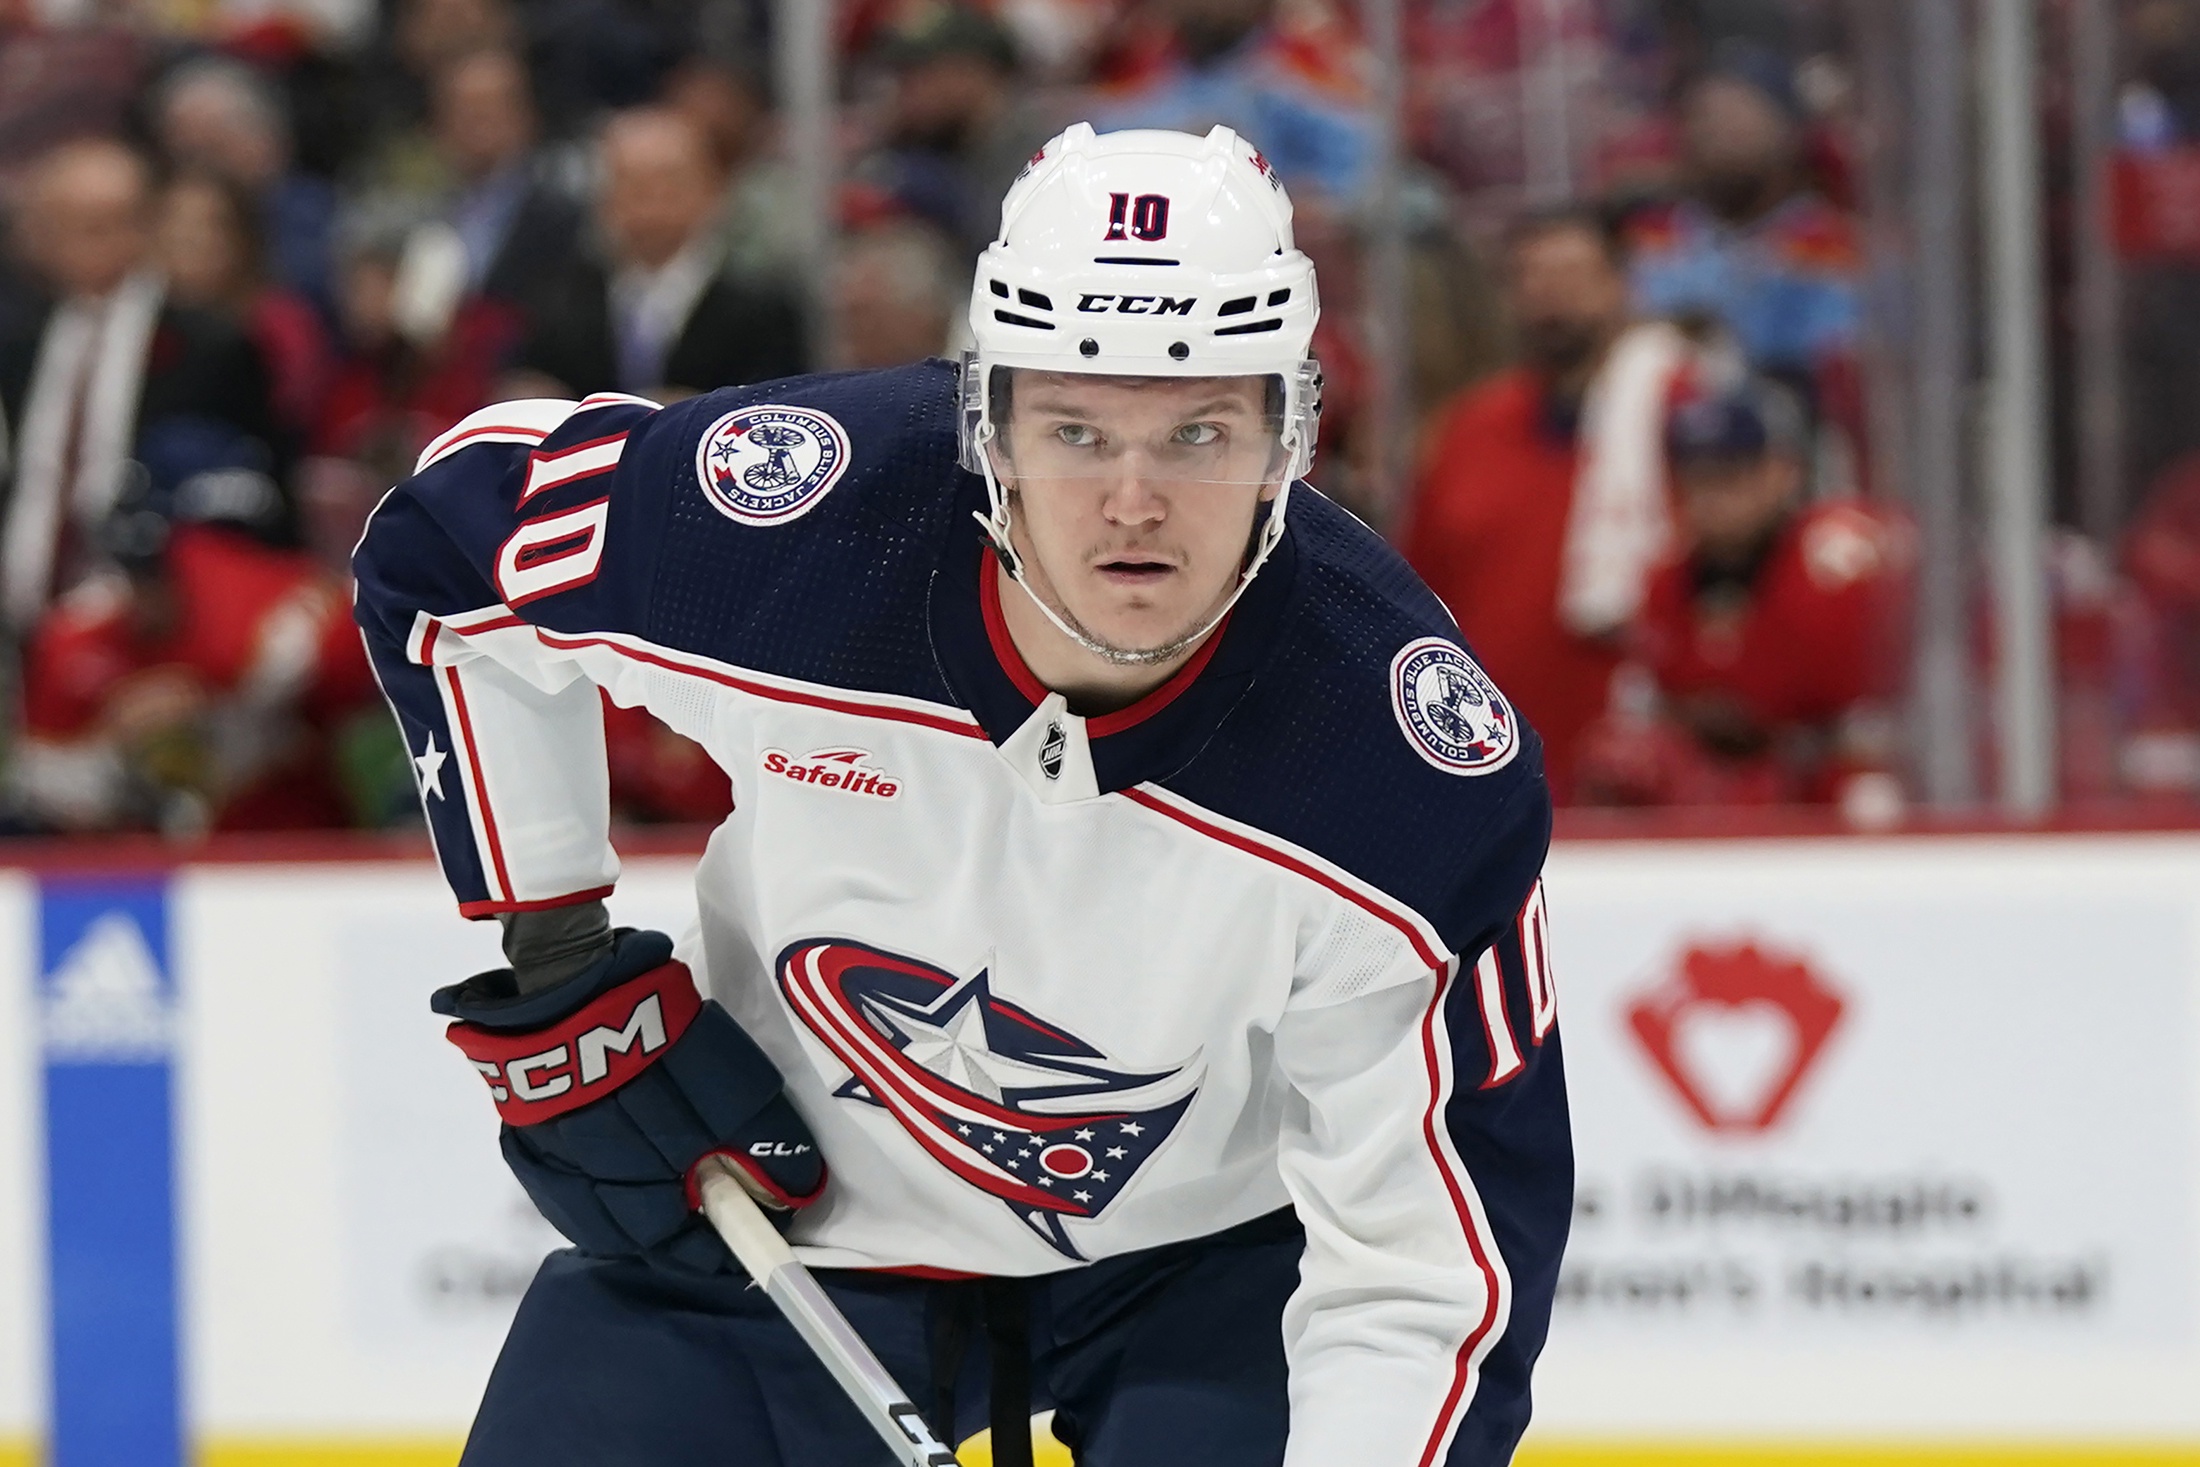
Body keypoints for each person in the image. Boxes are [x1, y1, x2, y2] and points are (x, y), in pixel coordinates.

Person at [352, 124, 1568, 1466]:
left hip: (1212, 1269)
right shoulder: (793, 531)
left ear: (1291, 436)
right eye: (1074, 429)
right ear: (986, 426)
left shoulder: (1404, 770)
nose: (1134, 501)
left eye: (1200, 432)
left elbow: (1424, 1284)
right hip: (783, 1224)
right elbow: (446, 546)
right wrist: (558, 953)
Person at [1401, 205, 1690, 800]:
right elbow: (1420, 596)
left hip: (1645, 776)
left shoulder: (1686, 414)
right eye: (1532, 278)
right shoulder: (1471, 429)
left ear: (1621, 285)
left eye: (1573, 275)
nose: (1551, 297)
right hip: (1488, 772)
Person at [1574, 381, 1905, 812]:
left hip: (1835, 792)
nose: (1710, 497)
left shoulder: (1843, 560)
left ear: (1784, 472)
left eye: (1732, 475)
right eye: (1696, 478)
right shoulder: (1666, 585)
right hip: (1730, 800)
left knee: (1871, 799)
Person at [0, 139, 283, 636]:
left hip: (150, 631)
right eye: (66, 225)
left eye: (104, 224)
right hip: (22, 627)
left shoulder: (208, 348)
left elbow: (254, 503)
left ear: (146, 226)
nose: (89, 242)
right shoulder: (20, 345)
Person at [1622, 47, 1861, 435]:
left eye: (1737, 115)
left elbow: (1828, 357)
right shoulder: (1656, 237)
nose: (1715, 134)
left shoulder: (1830, 243)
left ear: (1788, 132)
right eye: (1701, 117)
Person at [508, 107, 806, 400]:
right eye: (632, 186)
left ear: (714, 191)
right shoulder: (561, 299)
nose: (651, 206)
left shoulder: (761, 306)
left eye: (669, 185)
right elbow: (531, 381)